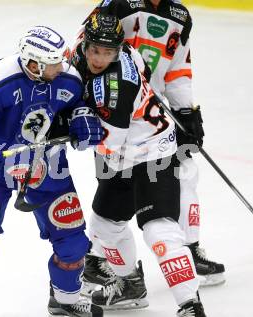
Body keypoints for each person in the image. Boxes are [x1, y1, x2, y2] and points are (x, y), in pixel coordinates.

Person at [0, 26, 105, 317]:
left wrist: (82, 118)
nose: (62, 65)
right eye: (54, 62)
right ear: (34, 64)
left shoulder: (68, 77)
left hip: (47, 165)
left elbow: (77, 105)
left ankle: (65, 299)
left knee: (73, 240)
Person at [81, 0, 225, 289]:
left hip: (157, 116)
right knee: (113, 185)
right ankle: (99, 256)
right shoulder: (118, 5)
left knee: (185, 174)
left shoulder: (180, 16)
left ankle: (187, 247)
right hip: (116, 112)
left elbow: (178, 67)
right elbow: (85, 47)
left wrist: (185, 111)